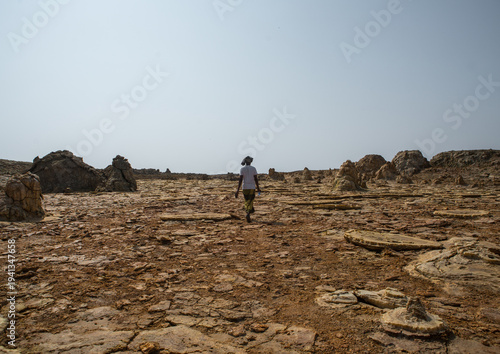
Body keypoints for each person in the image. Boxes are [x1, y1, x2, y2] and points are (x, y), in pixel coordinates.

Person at [235, 156, 261, 222]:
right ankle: (248, 213)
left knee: (246, 200)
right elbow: (256, 179)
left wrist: (237, 190)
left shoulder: (242, 169)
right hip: (252, 187)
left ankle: (249, 210)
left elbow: (240, 180)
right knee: (250, 200)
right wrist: (258, 188)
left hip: (245, 187)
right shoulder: (253, 169)